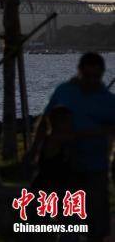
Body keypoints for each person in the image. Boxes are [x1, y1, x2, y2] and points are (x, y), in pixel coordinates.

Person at [28, 52, 115, 241]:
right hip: (64, 168)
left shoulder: (108, 100)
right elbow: (45, 120)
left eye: (96, 76)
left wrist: (89, 134)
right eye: (88, 76)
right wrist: (34, 151)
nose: (92, 81)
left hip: (94, 167)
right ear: (80, 72)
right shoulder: (64, 91)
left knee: (96, 225)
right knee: (67, 222)